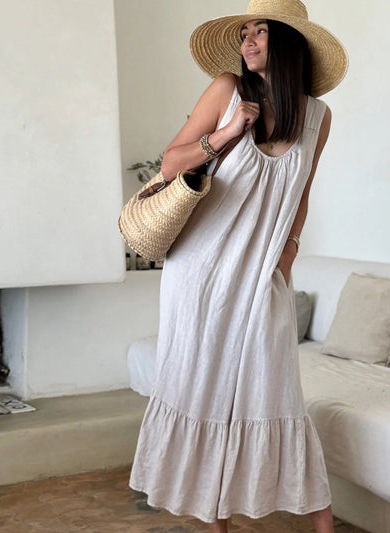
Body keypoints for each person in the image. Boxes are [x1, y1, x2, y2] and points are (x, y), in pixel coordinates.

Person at [129, 1, 348, 532]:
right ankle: (218, 523)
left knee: (278, 396)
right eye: (245, 32)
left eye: (260, 32)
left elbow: (302, 193)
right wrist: (227, 134)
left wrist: (287, 255)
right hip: (200, 272)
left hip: (262, 274)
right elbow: (171, 162)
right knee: (203, 392)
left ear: (289, 43)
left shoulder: (317, 117)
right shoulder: (228, 89)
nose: (248, 41)